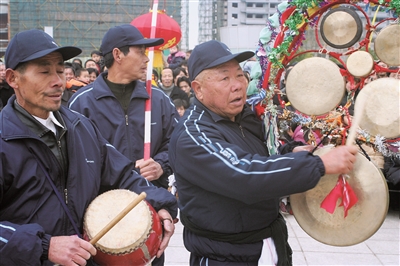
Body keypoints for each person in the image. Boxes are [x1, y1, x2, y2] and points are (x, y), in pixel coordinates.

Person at [168, 40, 358, 265]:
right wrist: (318, 165)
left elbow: (262, 155)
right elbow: (244, 174)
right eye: (224, 78)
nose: (237, 85)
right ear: (198, 89)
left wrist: (293, 150)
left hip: (270, 244)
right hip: (224, 256)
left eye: (239, 75)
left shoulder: (244, 117)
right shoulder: (193, 135)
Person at [0, 28, 178, 266]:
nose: (58, 81)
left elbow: (123, 175)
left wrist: (159, 204)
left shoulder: (80, 127)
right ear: (13, 79)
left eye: (60, 70)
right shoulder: (4, 138)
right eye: (44, 71)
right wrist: (45, 246)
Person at [68, 24, 179, 221]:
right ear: (118, 55)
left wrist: (161, 164)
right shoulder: (82, 103)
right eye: (140, 52)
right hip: (100, 212)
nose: (147, 59)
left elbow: (178, 144)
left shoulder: (158, 100)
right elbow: (73, 161)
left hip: (151, 206)